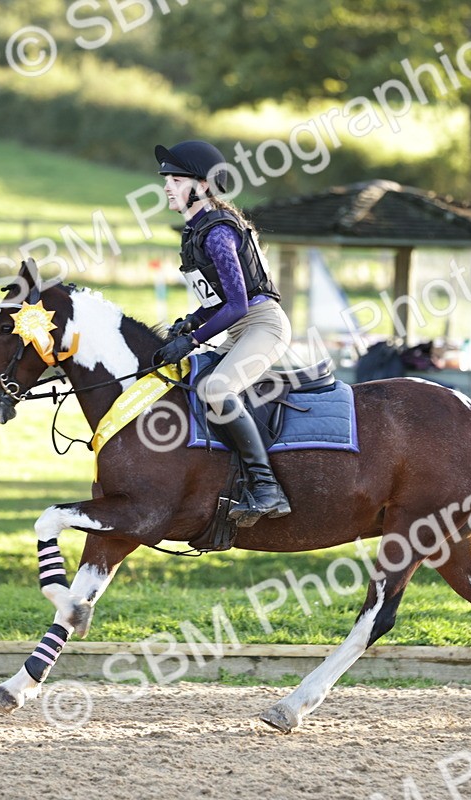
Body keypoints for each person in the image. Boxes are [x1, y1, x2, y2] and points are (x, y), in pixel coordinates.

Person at [151, 140, 293, 526]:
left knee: (216, 389)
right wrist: (190, 322)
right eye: (166, 179)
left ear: (202, 185)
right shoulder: (196, 230)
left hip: (262, 325)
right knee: (188, 380)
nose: (166, 186)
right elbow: (217, 302)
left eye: (175, 179)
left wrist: (192, 339)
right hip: (237, 329)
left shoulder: (216, 233)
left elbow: (238, 306)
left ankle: (267, 489)